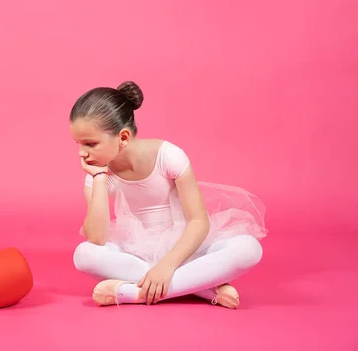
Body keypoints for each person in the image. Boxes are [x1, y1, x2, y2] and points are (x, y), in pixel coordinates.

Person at [69, 81, 267, 308]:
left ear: (123, 137)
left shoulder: (169, 156)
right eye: (78, 144)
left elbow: (199, 222)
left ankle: (134, 293)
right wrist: (100, 177)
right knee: (83, 255)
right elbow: (98, 238)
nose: (82, 153)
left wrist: (167, 266)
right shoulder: (97, 173)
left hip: (186, 248)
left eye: (90, 144)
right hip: (136, 251)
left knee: (248, 249)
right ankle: (201, 287)